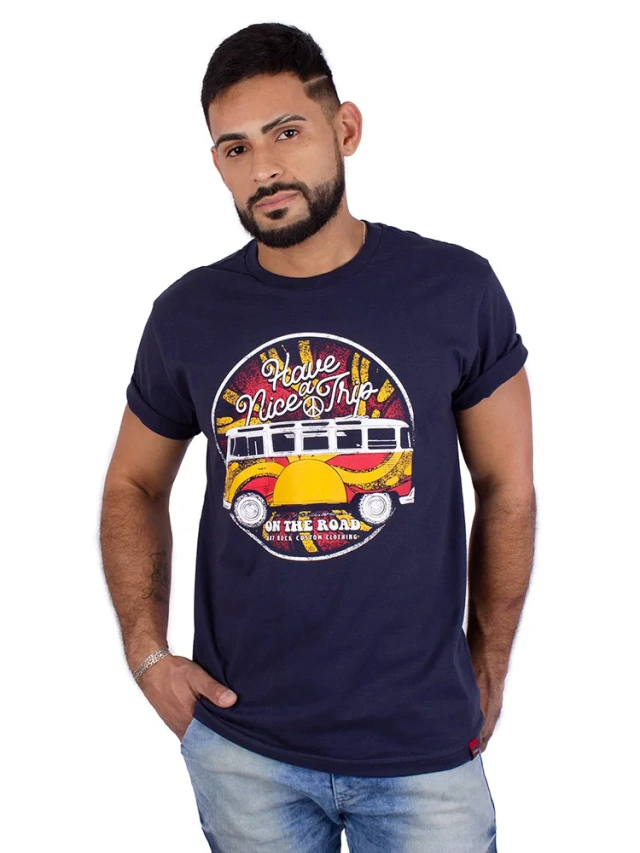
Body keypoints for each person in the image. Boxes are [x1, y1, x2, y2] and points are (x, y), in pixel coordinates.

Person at [100, 21, 535, 853]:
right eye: (234, 148)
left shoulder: (456, 287)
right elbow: (133, 482)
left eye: (286, 133)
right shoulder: (188, 314)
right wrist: (148, 654)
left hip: (424, 747)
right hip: (243, 745)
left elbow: (508, 486)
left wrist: (492, 658)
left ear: (346, 129)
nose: (263, 168)